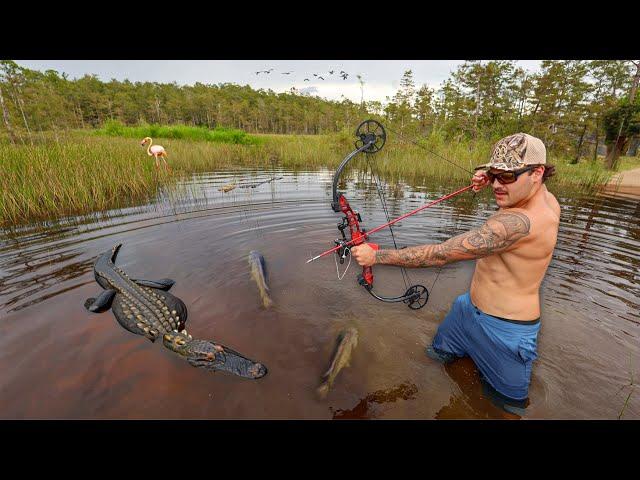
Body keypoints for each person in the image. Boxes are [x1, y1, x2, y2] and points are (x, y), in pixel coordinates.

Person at [350, 133, 560, 414]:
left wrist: (376, 256)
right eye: (495, 174)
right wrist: (491, 174)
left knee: (503, 409)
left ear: (537, 173)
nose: (497, 184)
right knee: (434, 361)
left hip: (506, 334)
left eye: (506, 177)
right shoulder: (541, 195)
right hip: (465, 311)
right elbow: (506, 179)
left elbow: (441, 254)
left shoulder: (519, 223)